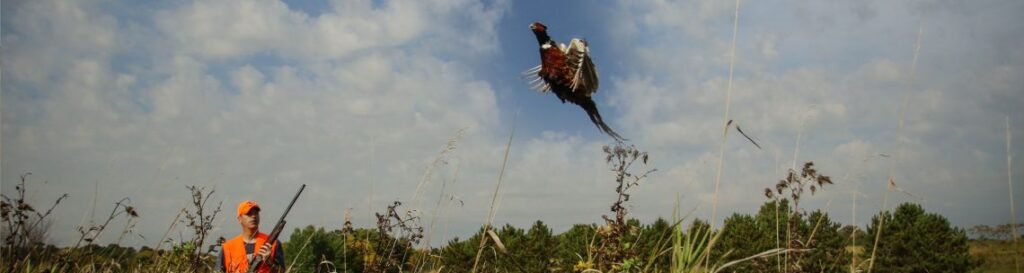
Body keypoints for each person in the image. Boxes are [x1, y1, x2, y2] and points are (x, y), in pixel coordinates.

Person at [218, 200, 285, 273]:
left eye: (256, 213)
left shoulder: (274, 244)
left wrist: (269, 261)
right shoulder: (227, 248)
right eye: (249, 214)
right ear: (239, 219)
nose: (253, 216)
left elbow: (282, 271)